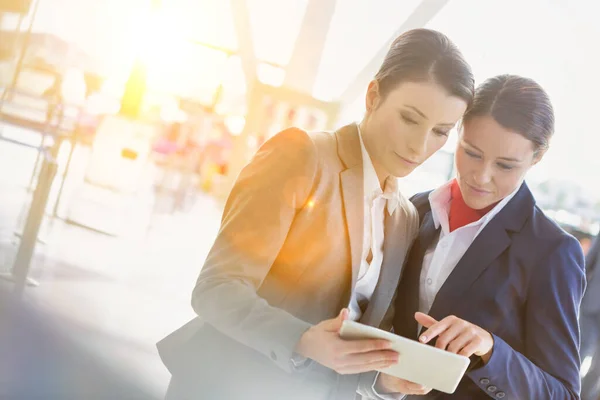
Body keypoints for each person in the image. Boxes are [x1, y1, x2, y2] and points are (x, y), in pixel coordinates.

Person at [157, 28, 474, 400]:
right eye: (409, 118)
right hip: (230, 386)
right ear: (373, 97)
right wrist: (303, 339)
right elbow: (216, 289)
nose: (420, 146)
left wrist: (384, 379)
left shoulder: (403, 216)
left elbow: (353, 338)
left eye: (440, 131)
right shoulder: (303, 156)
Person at [372, 75, 586, 399]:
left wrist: (491, 350)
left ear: (537, 157)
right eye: (471, 152)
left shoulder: (552, 251)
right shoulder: (415, 209)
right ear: (458, 130)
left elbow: (563, 394)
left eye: (505, 165)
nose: (481, 176)